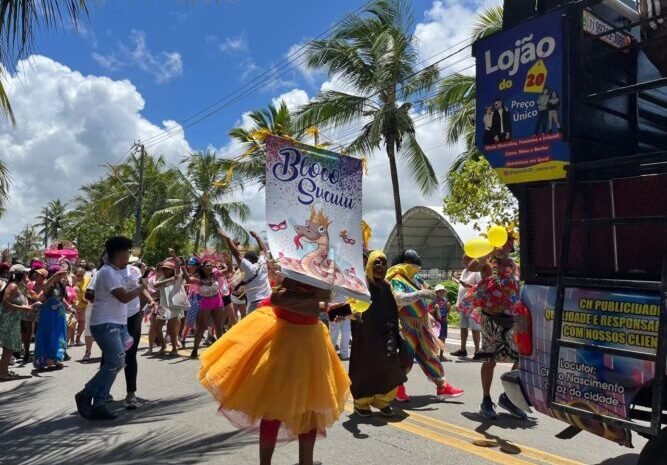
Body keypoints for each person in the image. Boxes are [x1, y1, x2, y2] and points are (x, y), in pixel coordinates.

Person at [199, 277, 349, 465]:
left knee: (311, 409)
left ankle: (306, 462)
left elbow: (319, 307)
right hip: (284, 341)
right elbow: (279, 299)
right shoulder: (296, 270)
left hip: (312, 342)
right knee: (273, 409)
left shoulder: (324, 276)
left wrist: (337, 310)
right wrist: (323, 306)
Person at [75, 236, 146, 420]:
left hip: (118, 324)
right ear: (120, 253)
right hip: (105, 324)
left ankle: (99, 404)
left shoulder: (118, 272)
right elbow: (124, 297)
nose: (129, 256)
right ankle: (86, 394)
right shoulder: (106, 272)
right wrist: (141, 288)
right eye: (128, 252)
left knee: (115, 364)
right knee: (116, 363)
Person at [463, 235, 528, 420]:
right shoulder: (487, 264)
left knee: (520, 358)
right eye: (500, 240)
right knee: (490, 359)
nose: (503, 244)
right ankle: (486, 400)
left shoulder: (514, 265)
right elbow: (471, 267)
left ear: (511, 245)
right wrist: (488, 252)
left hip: (512, 318)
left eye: (507, 241)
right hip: (490, 318)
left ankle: (508, 398)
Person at [387, 250, 464, 402]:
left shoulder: (415, 278)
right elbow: (398, 298)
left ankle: (442, 385)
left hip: (421, 325)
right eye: (412, 260)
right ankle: (397, 386)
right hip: (406, 324)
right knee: (405, 357)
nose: (417, 263)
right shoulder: (397, 278)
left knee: (429, 355)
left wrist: (428, 313)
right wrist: (421, 294)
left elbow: (426, 296)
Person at [349, 250, 407, 417]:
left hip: (386, 335)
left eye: (383, 263)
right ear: (369, 266)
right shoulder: (360, 285)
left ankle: (383, 401)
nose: (380, 266)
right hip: (366, 336)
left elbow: (394, 306)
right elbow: (348, 305)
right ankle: (362, 403)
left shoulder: (387, 286)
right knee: (365, 368)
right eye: (376, 263)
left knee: (389, 367)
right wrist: (354, 311)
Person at [0, 265, 41, 380]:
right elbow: (5, 303)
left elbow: (32, 295)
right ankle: (2, 373)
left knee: (9, 348)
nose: (27, 275)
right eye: (25, 273)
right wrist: (24, 308)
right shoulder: (13, 286)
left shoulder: (19, 285)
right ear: (21, 274)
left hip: (14, 320)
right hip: (8, 321)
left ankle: (3, 370)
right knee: (8, 347)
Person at [220, 230, 272, 314]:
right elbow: (263, 250)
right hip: (269, 302)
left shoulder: (249, 268)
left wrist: (227, 239)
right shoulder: (262, 263)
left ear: (248, 260)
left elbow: (237, 255)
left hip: (256, 304)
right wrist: (257, 237)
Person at [33, 265, 71, 370]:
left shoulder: (60, 284)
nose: (62, 275)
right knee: (49, 334)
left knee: (59, 334)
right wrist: (54, 276)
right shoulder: (48, 283)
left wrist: (69, 307)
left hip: (59, 313)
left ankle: (57, 358)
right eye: (60, 273)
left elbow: (61, 298)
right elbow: (44, 290)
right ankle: (47, 359)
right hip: (48, 313)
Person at [154, 250, 187, 356]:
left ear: (172, 270)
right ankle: (163, 345)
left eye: (168, 269)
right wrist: (168, 280)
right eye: (164, 269)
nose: (165, 271)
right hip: (163, 306)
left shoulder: (178, 276)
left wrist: (174, 255)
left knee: (172, 329)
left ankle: (174, 348)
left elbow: (178, 268)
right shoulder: (162, 278)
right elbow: (156, 285)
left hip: (175, 307)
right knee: (157, 327)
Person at [451, 255, 482, 358]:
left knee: (474, 328)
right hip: (463, 304)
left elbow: (481, 287)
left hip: (473, 304)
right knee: (463, 327)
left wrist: (467, 285)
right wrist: (457, 302)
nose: (463, 262)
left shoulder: (476, 272)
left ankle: (477, 351)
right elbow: (461, 288)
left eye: (465, 260)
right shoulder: (464, 271)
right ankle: (463, 349)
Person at [328, 292, 352, 361]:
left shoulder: (348, 281)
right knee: (333, 334)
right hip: (335, 308)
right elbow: (330, 297)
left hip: (346, 307)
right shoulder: (334, 282)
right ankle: (330, 354)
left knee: (346, 332)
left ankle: (344, 354)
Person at [430, 284, 450, 362]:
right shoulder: (433, 302)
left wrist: (448, 307)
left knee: (443, 338)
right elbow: (429, 313)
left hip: (443, 322)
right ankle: (434, 355)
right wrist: (435, 309)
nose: (442, 293)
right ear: (436, 293)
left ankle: (441, 356)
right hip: (436, 323)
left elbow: (447, 311)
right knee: (435, 338)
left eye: (443, 292)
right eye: (439, 292)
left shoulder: (445, 301)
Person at [72, 268, 90, 346]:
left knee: (82, 322)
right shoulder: (72, 280)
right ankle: (71, 340)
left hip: (84, 305)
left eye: (81, 275)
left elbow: (90, 290)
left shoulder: (87, 279)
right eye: (78, 275)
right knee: (73, 323)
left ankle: (78, 339)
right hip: (73, 306)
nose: (79, 277)